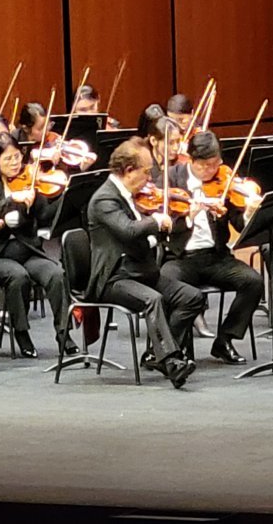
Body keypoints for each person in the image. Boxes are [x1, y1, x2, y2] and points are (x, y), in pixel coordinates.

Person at [85, 138, 204, 388]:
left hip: (141, 271)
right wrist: (156, 221)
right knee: (153, 299)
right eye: (146, 171)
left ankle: (156, 354)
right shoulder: (103, 200)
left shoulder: (132, 196)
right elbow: (128, 231)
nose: (150, 179)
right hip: (114, 277)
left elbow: (150, 236)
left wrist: (178, 222)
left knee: (192, 298)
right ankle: (171, 361)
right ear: (129, 171)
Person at [159, 131, 265, 365]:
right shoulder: (170, 179)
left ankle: (225, 340)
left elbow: (238, 223)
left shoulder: (224, 180)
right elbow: (160, 225)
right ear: (191, 160)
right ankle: (172, 348)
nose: (211, 171)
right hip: (179, 257)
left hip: (215, 256)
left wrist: (248, 210)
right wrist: (188, 217)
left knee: (253, 281)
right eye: (205, 166)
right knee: (168, 282)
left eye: (215, 164)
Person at [0, 133, 74, 359]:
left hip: (28, 250)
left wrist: (65, 195)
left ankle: (63, 333)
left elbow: (46, 216)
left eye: (17, 156)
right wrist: (13, 199)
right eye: (7, 159)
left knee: (56, 274)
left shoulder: (31, 181)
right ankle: (22, 332)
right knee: (18, 277)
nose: (15, 163)